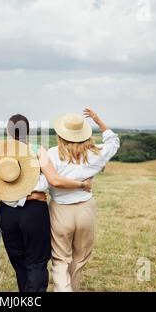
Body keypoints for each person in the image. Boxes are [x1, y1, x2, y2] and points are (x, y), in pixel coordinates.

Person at [0, 114, 92, 292]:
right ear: (28, 131)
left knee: (18, 259)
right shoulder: (37, 149)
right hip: (34, 209)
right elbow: (52, 179)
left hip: (7, 212)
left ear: (8, 130)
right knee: (36, 261)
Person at [44, 108, 120, 292]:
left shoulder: (52, 154)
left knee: (60, 259)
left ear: (61, 134)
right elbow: (114, 141)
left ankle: (64, 289)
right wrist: (98, 120)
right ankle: (73, 288)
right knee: (80, 257)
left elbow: (47, 180)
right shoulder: (95, 152)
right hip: (86, 209)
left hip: (60, 210)